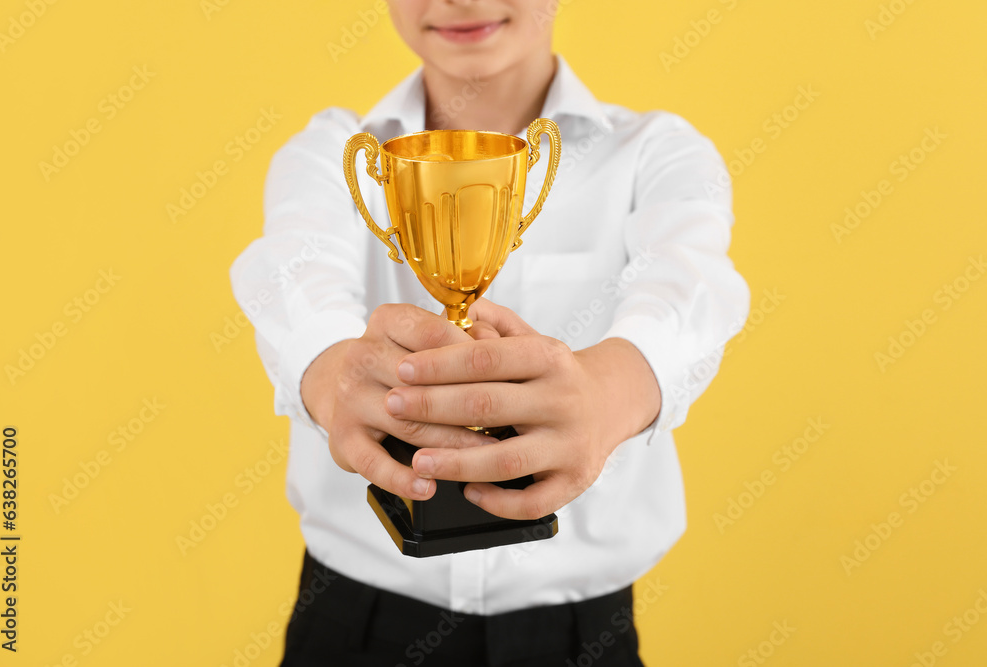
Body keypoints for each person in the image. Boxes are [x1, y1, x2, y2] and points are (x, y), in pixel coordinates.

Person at [230, 1, 750, 665]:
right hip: (353, 624)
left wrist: (606, 393)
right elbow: (293, 277)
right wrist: (332, 372)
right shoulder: (333, 153)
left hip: (580, 636)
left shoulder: (656, 153)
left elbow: (691, 287)